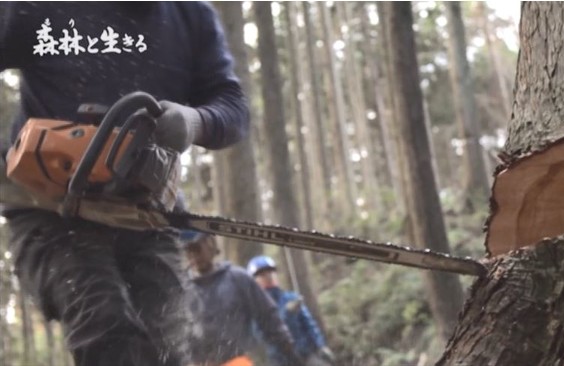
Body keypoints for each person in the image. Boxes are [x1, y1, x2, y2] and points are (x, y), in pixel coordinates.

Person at [0, 2, 249, 365]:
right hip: (49, 212)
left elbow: (232, 105)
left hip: (145, 213)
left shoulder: (190, 16)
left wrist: (197, 121)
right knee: (106, 323)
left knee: (171, 342)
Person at [180, 231, 305, 366]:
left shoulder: (237, 278)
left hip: (237, 360)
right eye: (188, 251)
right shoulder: (181, 289)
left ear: (210, 244)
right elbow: (175, 333)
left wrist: (288, 350)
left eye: (197, 249)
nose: (194, 255)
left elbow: (267, 316)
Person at [247, 256, 335, 366]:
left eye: (271, 272)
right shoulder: (255, 309)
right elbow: (262, 336)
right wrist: (286, 314)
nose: (269, 276)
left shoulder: (291, 298)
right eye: (262, 274)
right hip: (280, 361)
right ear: (254, 281)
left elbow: (309, 324)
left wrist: (320, 346)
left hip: (305, 355)